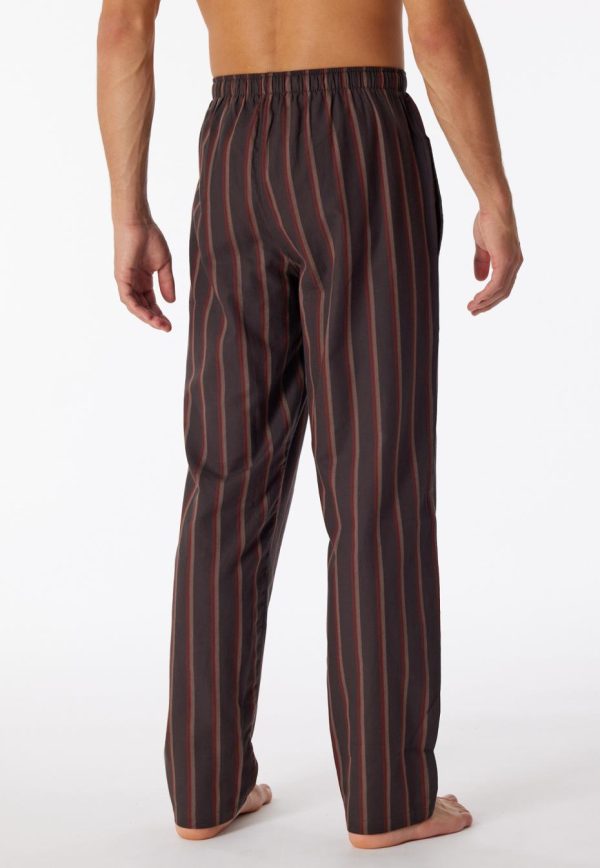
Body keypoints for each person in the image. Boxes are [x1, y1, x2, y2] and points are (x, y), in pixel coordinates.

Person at [96, 0, 523, 851]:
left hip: (234, 150)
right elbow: (436, 29)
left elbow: (123, 32)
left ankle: (205, 788)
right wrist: (494, 195)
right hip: (361, 143)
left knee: (224, 479)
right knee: (376, 481)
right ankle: (389, 798)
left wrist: (128, 214)